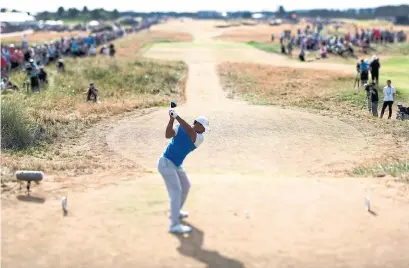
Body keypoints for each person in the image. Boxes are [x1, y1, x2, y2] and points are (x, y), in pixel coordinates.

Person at [158, 108, 209, 234]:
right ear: (198, 124)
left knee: (186, 186)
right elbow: (167, 135)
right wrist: (171, 120)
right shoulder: (180, 127)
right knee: (176, 191)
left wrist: (177, 117)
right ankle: (174, 225)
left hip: (176, 164)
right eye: (204, 128)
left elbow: (190, 131)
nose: (205, 131)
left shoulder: (199, 138)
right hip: (166, 162)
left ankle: (176, 211)